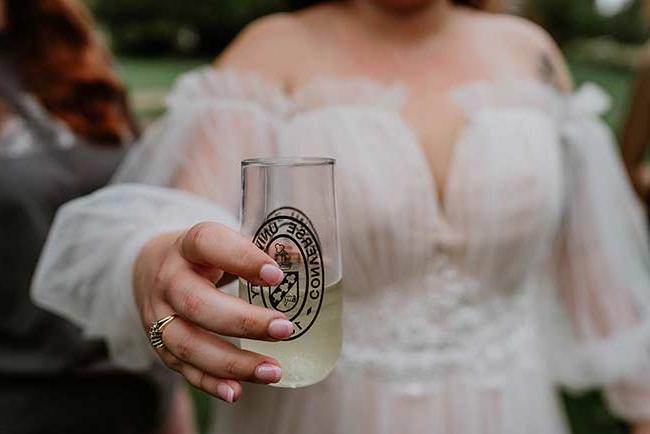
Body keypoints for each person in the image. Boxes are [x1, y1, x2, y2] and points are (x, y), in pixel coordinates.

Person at [32, 1, 650, 433]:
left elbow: (595, 263)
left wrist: (642, 405)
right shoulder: (270, 51)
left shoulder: (531, 53)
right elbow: (175, 213)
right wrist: (158, 262)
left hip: (510, 409)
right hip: (318, 414)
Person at [0, 1, 191, 433]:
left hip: (139, 397)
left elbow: (141, 209)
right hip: (26, 407)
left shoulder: (67, 57)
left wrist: (170, 393)